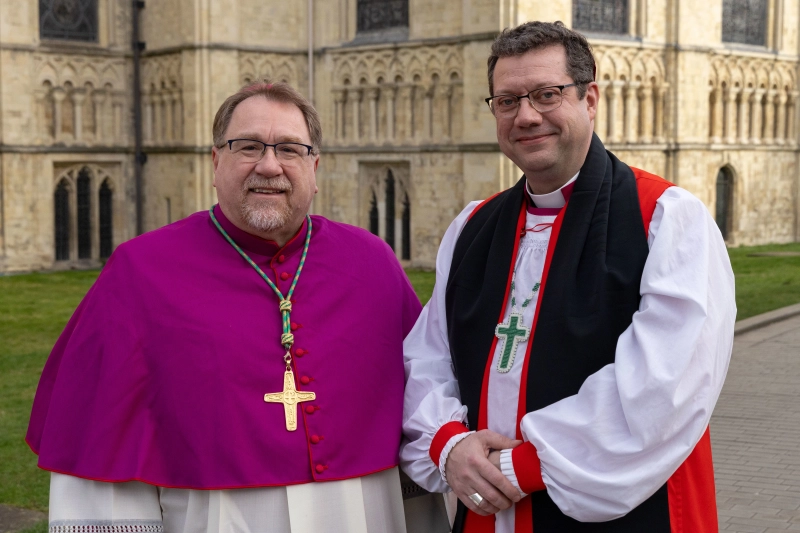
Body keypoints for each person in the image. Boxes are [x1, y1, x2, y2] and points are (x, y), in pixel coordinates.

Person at [27, 80, 423, 533]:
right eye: (248, 146)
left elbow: (422, 413)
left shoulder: (371, 263)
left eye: (290, 149)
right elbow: (102, 449)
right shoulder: (139, 273)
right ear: (216, 163)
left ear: (315, 167)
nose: (269, 166)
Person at [400, 21, 736, 533]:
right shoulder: (472, 227)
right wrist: (448, 445)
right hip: (489, 511)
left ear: (590, 99)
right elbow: (428, 357)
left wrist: (516, 466)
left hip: (622, 512)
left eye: (546, 94)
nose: (526, 115)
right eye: (507, 101)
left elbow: (664, 390)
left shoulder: (666, 219)